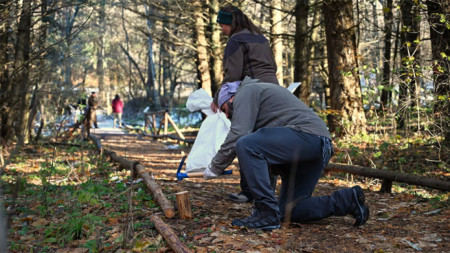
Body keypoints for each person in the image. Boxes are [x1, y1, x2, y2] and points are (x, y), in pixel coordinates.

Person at [203, 77, 370, 230]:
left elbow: (239, 135)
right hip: (316, 146)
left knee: (245, 144)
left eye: (224, 109)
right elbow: (262, 157)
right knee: (289, 211)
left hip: (307, 138)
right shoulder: (257, 105)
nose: (226, 115)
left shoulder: (246, 91)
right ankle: (347, 200)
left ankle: (266, 213)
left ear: (231, 98)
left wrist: (215, 166)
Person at [213, 5, 280, 203]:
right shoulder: (261, 37)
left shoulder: (236, 40)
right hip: (274, 91)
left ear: (230, 24)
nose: (222, 31)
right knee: (269, 139)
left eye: (222, 26)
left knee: (246, 139)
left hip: (252, 93)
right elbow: (272, 67)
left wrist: (219, 97)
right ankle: (268, 190)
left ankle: (249, 191)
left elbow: (232, 75)